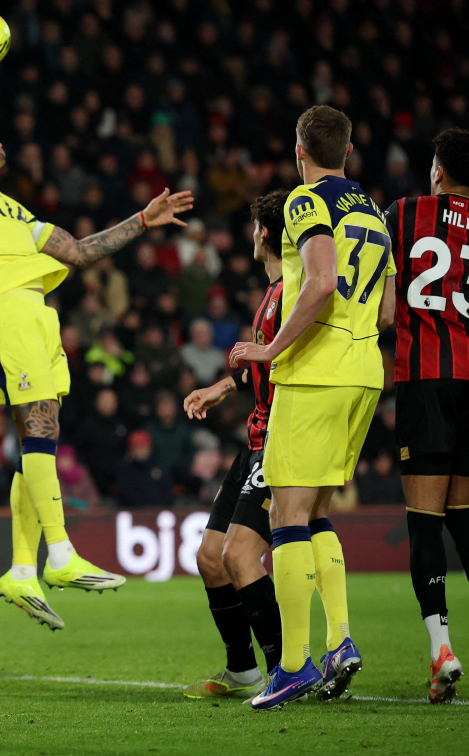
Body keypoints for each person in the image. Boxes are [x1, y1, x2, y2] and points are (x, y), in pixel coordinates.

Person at [0, 119, 193, 629]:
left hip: (39, 314)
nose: (0, 141)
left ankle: (24, 569)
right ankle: (62, 553)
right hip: (4, 310)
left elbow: (79, 252)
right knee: (39, 429)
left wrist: (142, 220)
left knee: (40, 435)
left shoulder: (11, 206)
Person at [230, 105, 396, 710]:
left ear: (302, 149)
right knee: (318, 513)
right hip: (365, 374)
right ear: (347, 151)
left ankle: (294, 665)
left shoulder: (306, 202)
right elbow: (386, 313)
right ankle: (340, 641)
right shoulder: (373, 211)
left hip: (315, 376)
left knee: (285, 517)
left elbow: (322, 282)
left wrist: (272, 347)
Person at [387, 128, 469, 702]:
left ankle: (442, 650)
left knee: (424, 518)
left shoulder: (404, 212)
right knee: (462, 509)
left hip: (425, 375)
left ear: (438, 170)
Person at [181, 189, 288, 700]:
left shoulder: (295, 292)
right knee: (209, 556)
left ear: (262, 234)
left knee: (241, 555)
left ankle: (285, 670)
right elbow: (264, 368)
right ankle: (242, 670)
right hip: (253, 440)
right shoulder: (271, 294)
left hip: (280, 444)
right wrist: (221, 387)